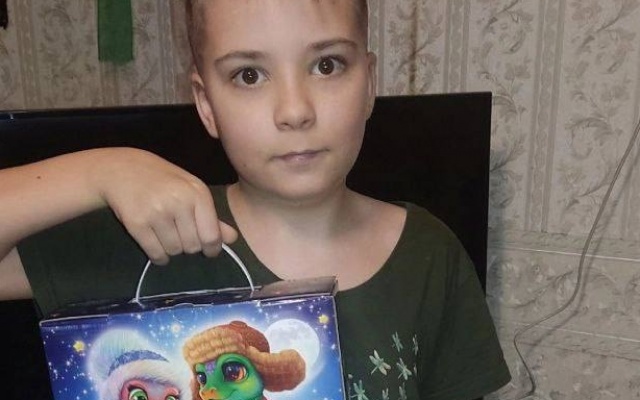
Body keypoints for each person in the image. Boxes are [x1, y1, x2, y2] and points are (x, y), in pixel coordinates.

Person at [0, 0, 511, 399]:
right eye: (249, 75)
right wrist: (98, 171)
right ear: (207, 104)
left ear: (370, 82)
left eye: (327, 65)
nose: (294, 110)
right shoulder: (157, 237)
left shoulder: (429, 254)